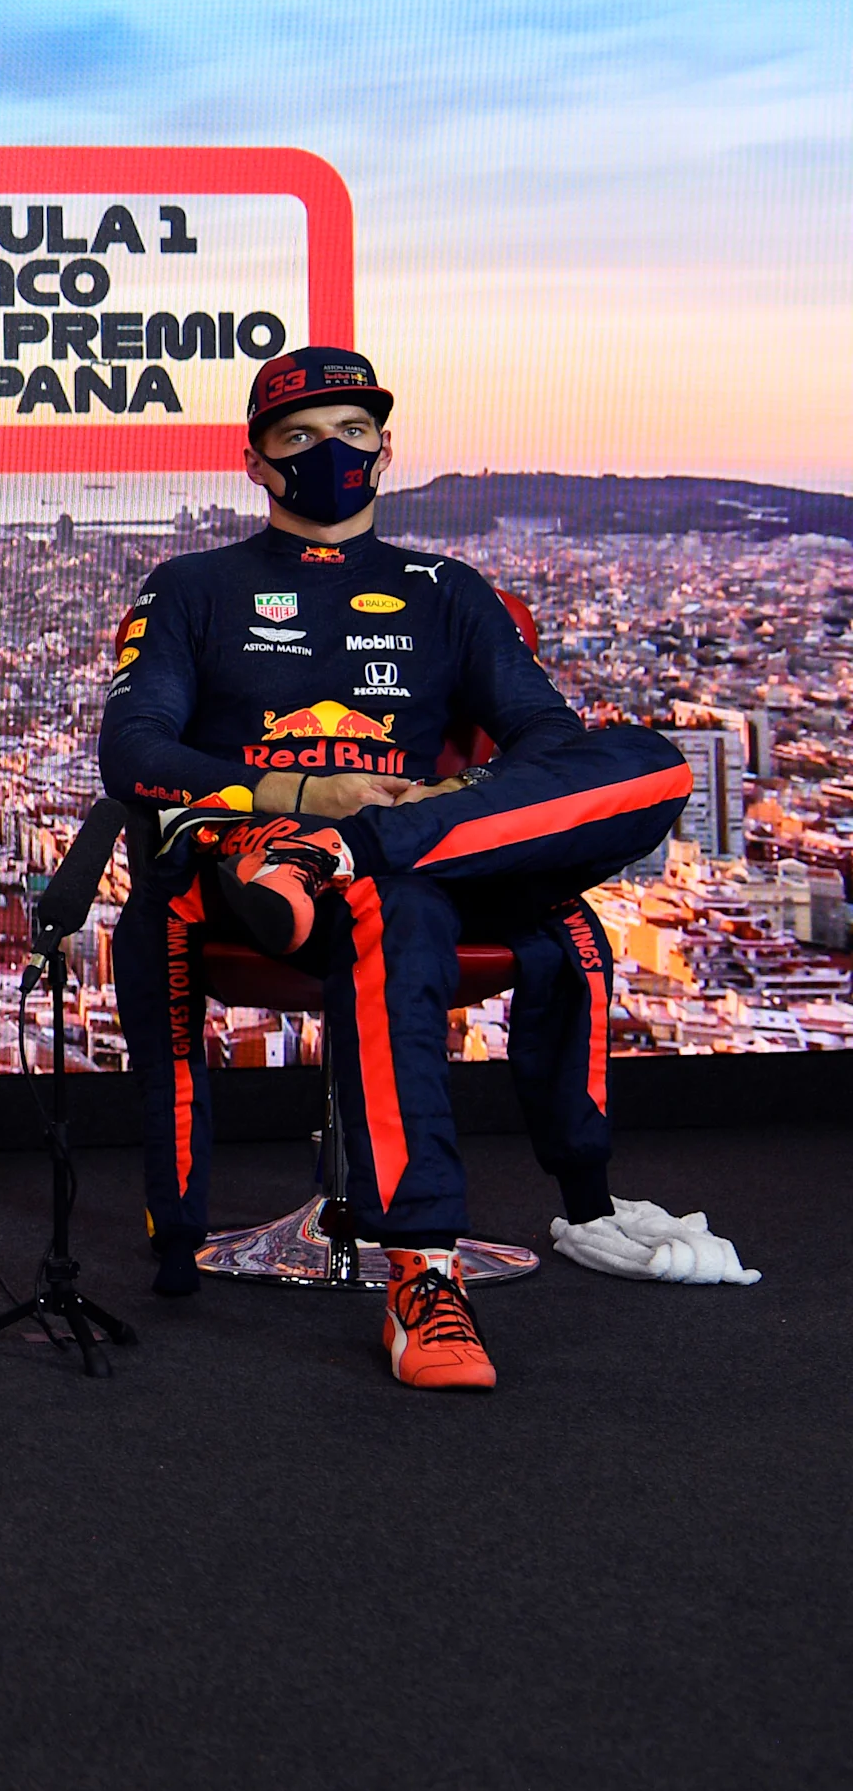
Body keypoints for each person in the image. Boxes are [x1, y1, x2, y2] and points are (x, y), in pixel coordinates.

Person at [103, 345, 754, 1394]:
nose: (331, 451)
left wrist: (443, 808)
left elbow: (545, 733)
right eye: (300, 436)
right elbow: (131, 753)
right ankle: (423, 1272)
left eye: (353, 432)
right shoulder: (190, 587)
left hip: (422, 845)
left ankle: (366, 851)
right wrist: (305, 800)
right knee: (396, 907)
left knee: (651, 762)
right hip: (261, 857)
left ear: (386, 451)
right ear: (254, 463)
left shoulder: (447, 590)